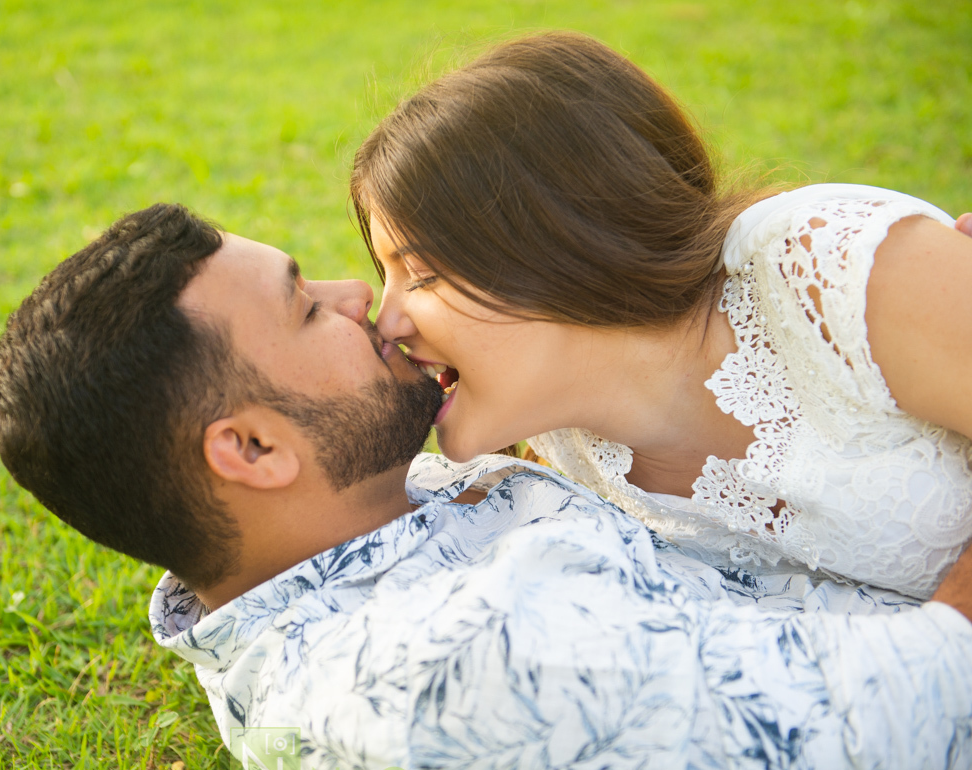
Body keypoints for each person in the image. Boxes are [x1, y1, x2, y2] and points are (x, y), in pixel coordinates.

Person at [0, 203, 972, 770]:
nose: (352, 295)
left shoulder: (314, 537)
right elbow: (944, 704)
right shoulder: (475, 663)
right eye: (304, 306)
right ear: (250, 448)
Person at [354, 31, 972, 601]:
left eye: (423, 274)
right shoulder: (560, 464)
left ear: (559, 245)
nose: (390, 324)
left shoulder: (828, 271)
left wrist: (941, 646)